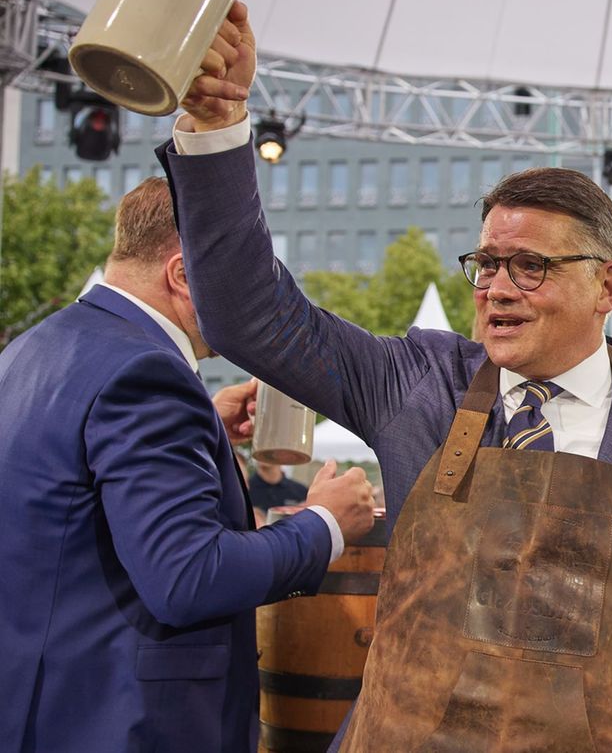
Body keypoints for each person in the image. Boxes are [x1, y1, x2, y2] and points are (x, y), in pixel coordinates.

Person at [164, 1, 612, 751]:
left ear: (607, 287)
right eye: (486, 265)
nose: (497, 290)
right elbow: (247, 315)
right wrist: (218, 124)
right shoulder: (419, 383)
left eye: (531, 267)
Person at [0, 178, 376, 752]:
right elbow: (188, 577)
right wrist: (325, 524)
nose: (252, 301)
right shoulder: (146, 373)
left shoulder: (30, 350)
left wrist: (203, 431)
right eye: (240, 279)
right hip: (124, 725)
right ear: (181, 273)